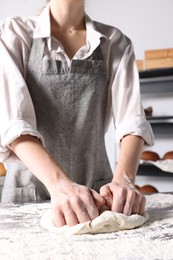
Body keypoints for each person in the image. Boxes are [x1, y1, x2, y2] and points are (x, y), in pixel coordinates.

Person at [0, 0, 154, 227]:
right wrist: (60, 185)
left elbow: (132, 122)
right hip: (29, 195)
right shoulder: (14, 34)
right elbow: (14, 123)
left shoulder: (115, 42)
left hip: (97, 199)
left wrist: (124, 180)